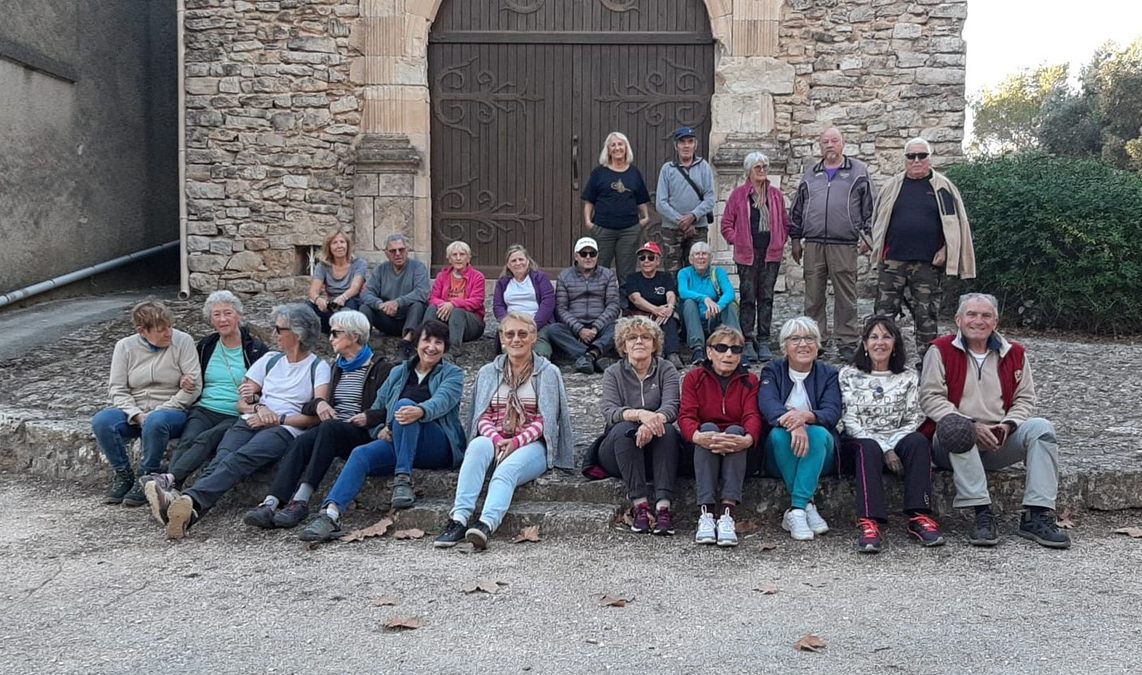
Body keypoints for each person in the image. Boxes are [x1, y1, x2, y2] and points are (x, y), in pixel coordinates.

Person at [146, 304, 331, 540]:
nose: (274, 335)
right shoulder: (270, 360)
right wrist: (259, 408)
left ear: (298, 333)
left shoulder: (318, 367)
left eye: (279, 329)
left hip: (284, 429)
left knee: (240, 458)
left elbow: (316, 415)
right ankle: (189, 510)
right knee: (223, 455)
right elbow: (242, 401)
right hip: (252, 419)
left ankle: (187, 501)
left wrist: (277, 419)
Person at [919, 293, 1070, 549]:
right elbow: (931, 397)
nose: (978, 321)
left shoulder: (1015, 353)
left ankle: (1036, 514)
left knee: (1042, 429)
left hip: (998, 439)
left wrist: (1008, 426)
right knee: (958, 430)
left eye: (986, 315)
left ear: (995, 322)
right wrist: (971, 424)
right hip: (951, 444)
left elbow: (1025, 398)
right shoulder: (940, 350)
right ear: (958, 319)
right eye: (972, 314)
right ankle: (982, 513)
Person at [295, 319, 466, 541]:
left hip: (437, 444)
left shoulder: (453, 374)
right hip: (399, 441)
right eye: (426, 340)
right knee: (361, 454)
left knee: (403, 406)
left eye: (439, 342)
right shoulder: (398, 372)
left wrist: (420, 411)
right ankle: (330, 514)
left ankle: (403, 479)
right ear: (416, 343)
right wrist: (378, 431)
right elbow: (376, 411)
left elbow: (442, 401)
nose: (432, 347)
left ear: (445, 347)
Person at [241, 310, 394, 532]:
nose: (330, 338)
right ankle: (271, 501)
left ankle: (301, 500)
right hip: (332, 429)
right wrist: (320, 404)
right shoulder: (335, 368)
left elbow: (388, 407)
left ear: (354, 336)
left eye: (335, 333)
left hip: (361, 431)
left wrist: (368, 416)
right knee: (301, 441)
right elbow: (307, 404)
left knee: (328, 429)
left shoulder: (381, 368)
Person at [434, 312, 574, 550]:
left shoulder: (548, 373)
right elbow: (482, 415)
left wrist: (516, 442)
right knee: (477, 446)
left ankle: (485, 524)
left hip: (532, 444)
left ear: (533, 338)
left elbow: (546, 420)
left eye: (522, 334)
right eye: (510, 334)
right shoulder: (489, 372)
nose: (516, 339)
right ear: (502, 338)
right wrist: (498, 439)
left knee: (506, 470)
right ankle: (458, 519)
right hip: (495, 438)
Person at [140, 291, 268, 513]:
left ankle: (171, 485)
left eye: (227, 313)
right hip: (205, 407)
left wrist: (255, 397)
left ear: (238, 315)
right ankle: (172, 491)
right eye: (216, 314)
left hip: (237, 412)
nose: (222, 319)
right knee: (188, 439)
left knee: (207, 439)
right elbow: (191, 371)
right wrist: (184, 378)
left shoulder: (256, 349)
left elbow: (270, 386)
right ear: (210, 319)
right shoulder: (206, 345)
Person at [838, 315, 944, 553]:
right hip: (860, 443)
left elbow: (914, 417)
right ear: (864, 344)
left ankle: (919, 517)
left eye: (886, 336)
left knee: (918, 441)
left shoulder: (908, 377)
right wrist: (885, 449)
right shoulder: (848, 375)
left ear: (895, 344)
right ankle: (869, 522)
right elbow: (850, 419)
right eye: (873, 337)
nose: (880, 343)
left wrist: (893, 446)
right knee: (868, 447)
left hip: (899, 441)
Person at [871, 138, 976, 360]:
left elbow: (955, 224)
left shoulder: (943, 188)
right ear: (905, 159)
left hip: (928, 263)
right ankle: (883, 361)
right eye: (911, 156)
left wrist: (948, 249)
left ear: (930, 158)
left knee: (926, 315)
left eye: (922, 156)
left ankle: (928, 364)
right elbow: (878, 220)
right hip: (893, 261)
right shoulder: (892, 186)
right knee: (883, 315)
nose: (916, 160)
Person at [93, 300, 201, 506]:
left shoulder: (183, 341)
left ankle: (147, 476)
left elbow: (194, 387)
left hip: (171, 410)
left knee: (157, 421)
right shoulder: (125, 347)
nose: (168, 333)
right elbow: (117, 388)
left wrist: (158, 411)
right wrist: (135, 414)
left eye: (170, 326)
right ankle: (123, 474)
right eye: (161, 330)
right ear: (143, 331)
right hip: (136, 410)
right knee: (102, 421)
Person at [583, 316, 682, 535]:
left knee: (667, 431)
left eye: (645, 337)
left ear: (654, 344)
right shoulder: (613, 373)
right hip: (619, 452)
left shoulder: (666, 369)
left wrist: (650, 423)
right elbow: (610, 412)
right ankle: (640, 506)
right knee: (622, 430)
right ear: (623, 345)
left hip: (655, 450)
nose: (639, 342)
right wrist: (640, 415)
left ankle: (663, 508)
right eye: (632, 338)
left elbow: (672, 407)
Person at [789, 127, 874, 362]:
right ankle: (816, 341)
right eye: (825, 141)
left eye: (834, 141)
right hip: (814, 244)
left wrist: (868, 237)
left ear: (843, 144)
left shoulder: (858, 172)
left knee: (846, 296)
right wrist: (796, 239)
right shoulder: (810, 174)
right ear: (820, 145)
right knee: (813, 297)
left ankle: (847, 342)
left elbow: (870, 207)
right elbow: (797, 209)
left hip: (844, 244)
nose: (830, 145)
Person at [678, 326, 762, 547]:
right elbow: (686, 415)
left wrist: (748, 439)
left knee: (736, 431)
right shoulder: (694, 378)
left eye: (735, 349)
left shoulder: (750, 380)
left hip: (739, 448)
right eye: (722, 348)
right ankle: (706, 515)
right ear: (709, 352)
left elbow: (752, 414)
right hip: (702, 445)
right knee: (707, 428)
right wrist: (697, 437)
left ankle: (727, 515)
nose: (729, 354)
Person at [759, 317, 842, 541]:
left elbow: (832, 412)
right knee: (777, 435)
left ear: (818, 345)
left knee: (818, 433)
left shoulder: (829, 374)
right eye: (795, 339)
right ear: (784, 346)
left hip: (820, 454)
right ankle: (807, 506)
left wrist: (804, 417)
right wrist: (793, 424)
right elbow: (768, 406)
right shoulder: (772, 370)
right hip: (779, 455)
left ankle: (796, 509)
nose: (803, 344)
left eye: (809, 338)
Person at [720, 151, 790, 363]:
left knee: (766, 297)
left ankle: (765, 338)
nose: (762, 171)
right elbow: (726, 224)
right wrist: (738, 240)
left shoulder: (775, 195)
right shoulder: (739, 195)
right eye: (757, 168)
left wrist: (780, 239)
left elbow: (785, 223)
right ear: (749, 171)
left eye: (764, 167)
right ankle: (748, 339)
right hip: (747, 255)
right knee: (748, 297)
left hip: (770, 254)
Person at [582, 131, 651, 280]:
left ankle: (625, 302)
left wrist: (644, 219)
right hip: (603, 229)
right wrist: (589, 222)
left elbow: (641, 200)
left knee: (627, 273)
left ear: (626, 148)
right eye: (613, 145)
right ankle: (598, 302)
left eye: (620, 144)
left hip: (629, 230)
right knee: (599, 270)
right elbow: (589, 200)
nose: (617, 148)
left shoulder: (634, 173)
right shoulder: (599, 173)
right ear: (608, 149)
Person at [547, 236, 621, 374]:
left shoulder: (608, 275)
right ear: (576, 256)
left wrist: (595, 327)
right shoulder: (564, 276)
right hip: (574, 329)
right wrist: (579, 329)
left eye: (592, 254)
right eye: (583, 254)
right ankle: (592, 355)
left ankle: (587, 356)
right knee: (553, 330)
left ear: (597, 256)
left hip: (600, 327)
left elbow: (613, 305)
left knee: (618, 328)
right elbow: (561, 308)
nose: (588, 257)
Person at [360, 233, 430, 360]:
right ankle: (367, 345)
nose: (398, 253)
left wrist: (398, 303)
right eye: (393, 251)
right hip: (387, 317)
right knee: (365, 308)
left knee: (418, 305)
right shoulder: (380, 270)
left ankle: (405, 345)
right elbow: (366, 293)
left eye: (401, 250)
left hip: (410, 320)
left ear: (407, 250)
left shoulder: (418, 268)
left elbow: (422, 292)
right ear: (386, 253)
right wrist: (380, 304)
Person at [656, 126, 716, 273]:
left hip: (698, 228)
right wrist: (681, 221)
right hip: (671, 229)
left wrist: (693, 216)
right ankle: (674, 297)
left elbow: (710, 198)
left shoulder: (704, 167)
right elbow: (661, 202)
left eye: (690, 141)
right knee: (672, 270)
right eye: (682, 142)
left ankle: (694, 297)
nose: (686, 145)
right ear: (676, 146)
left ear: (695, 145)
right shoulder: (667, 169)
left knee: (697, 269)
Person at [677, 241, 742, 365]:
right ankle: (697, 349)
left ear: (710, 258)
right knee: (689, 302)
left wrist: (718, 306)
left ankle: (735, 344)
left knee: (730, 305)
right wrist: (704, 298)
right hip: (692, 323)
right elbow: (683, 292)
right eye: (697, 254)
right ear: (691, 259)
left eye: (704, 254)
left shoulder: (718, 272)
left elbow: (730, 293)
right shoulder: (684, 273)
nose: (701, 257)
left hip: (713, 320)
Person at [622, 241, 683, 368]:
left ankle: (673, 354)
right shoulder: (632, 277)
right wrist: (656, 310)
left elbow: (671, 295)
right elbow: (635, 299)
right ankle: (654, 356)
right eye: (642, 258)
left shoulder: (665, 277)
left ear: (658, 261)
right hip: (639, 315)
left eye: (650, 257)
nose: (646, 261)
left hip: (662, 315)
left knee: (669, 319)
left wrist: (670, 307)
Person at [492, 244, 556, 358]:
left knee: (540, 353)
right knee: (512, 353)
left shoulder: (540, 278)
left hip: (537, 324)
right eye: (513, 261)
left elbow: (548, 302)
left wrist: (534, 325)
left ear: (527, 261)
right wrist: (508, 323)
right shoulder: (503, 282)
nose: (518, 263)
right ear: (508, 265)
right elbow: (498, 306)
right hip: (512, 325)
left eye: (521, 259)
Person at [428, 240, 486, 353]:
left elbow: (477, 301)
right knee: (431, 308)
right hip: (445, 320)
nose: (458, 258)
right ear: (449, 259)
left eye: (462, 254)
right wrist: (444, 305)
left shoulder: (478, 277)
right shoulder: (442, 276)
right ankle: (426, 344)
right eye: (454, 255)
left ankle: (453, 351)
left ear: (468, 258)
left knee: (457, 311)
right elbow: (433, 298)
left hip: (471, 324)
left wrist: (453, 304)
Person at [307, 228, 368, 334]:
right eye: (334, 243)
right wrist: (318, 300)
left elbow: (355, 288)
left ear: (347, 245)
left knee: (349, 307)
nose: (339, 246)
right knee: (306, 307)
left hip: (350, 302)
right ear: (329, 247)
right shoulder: (322, 266)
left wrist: (343, 298)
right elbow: (313, 291)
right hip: (330, 304)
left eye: (342, 242)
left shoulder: (359, 263)